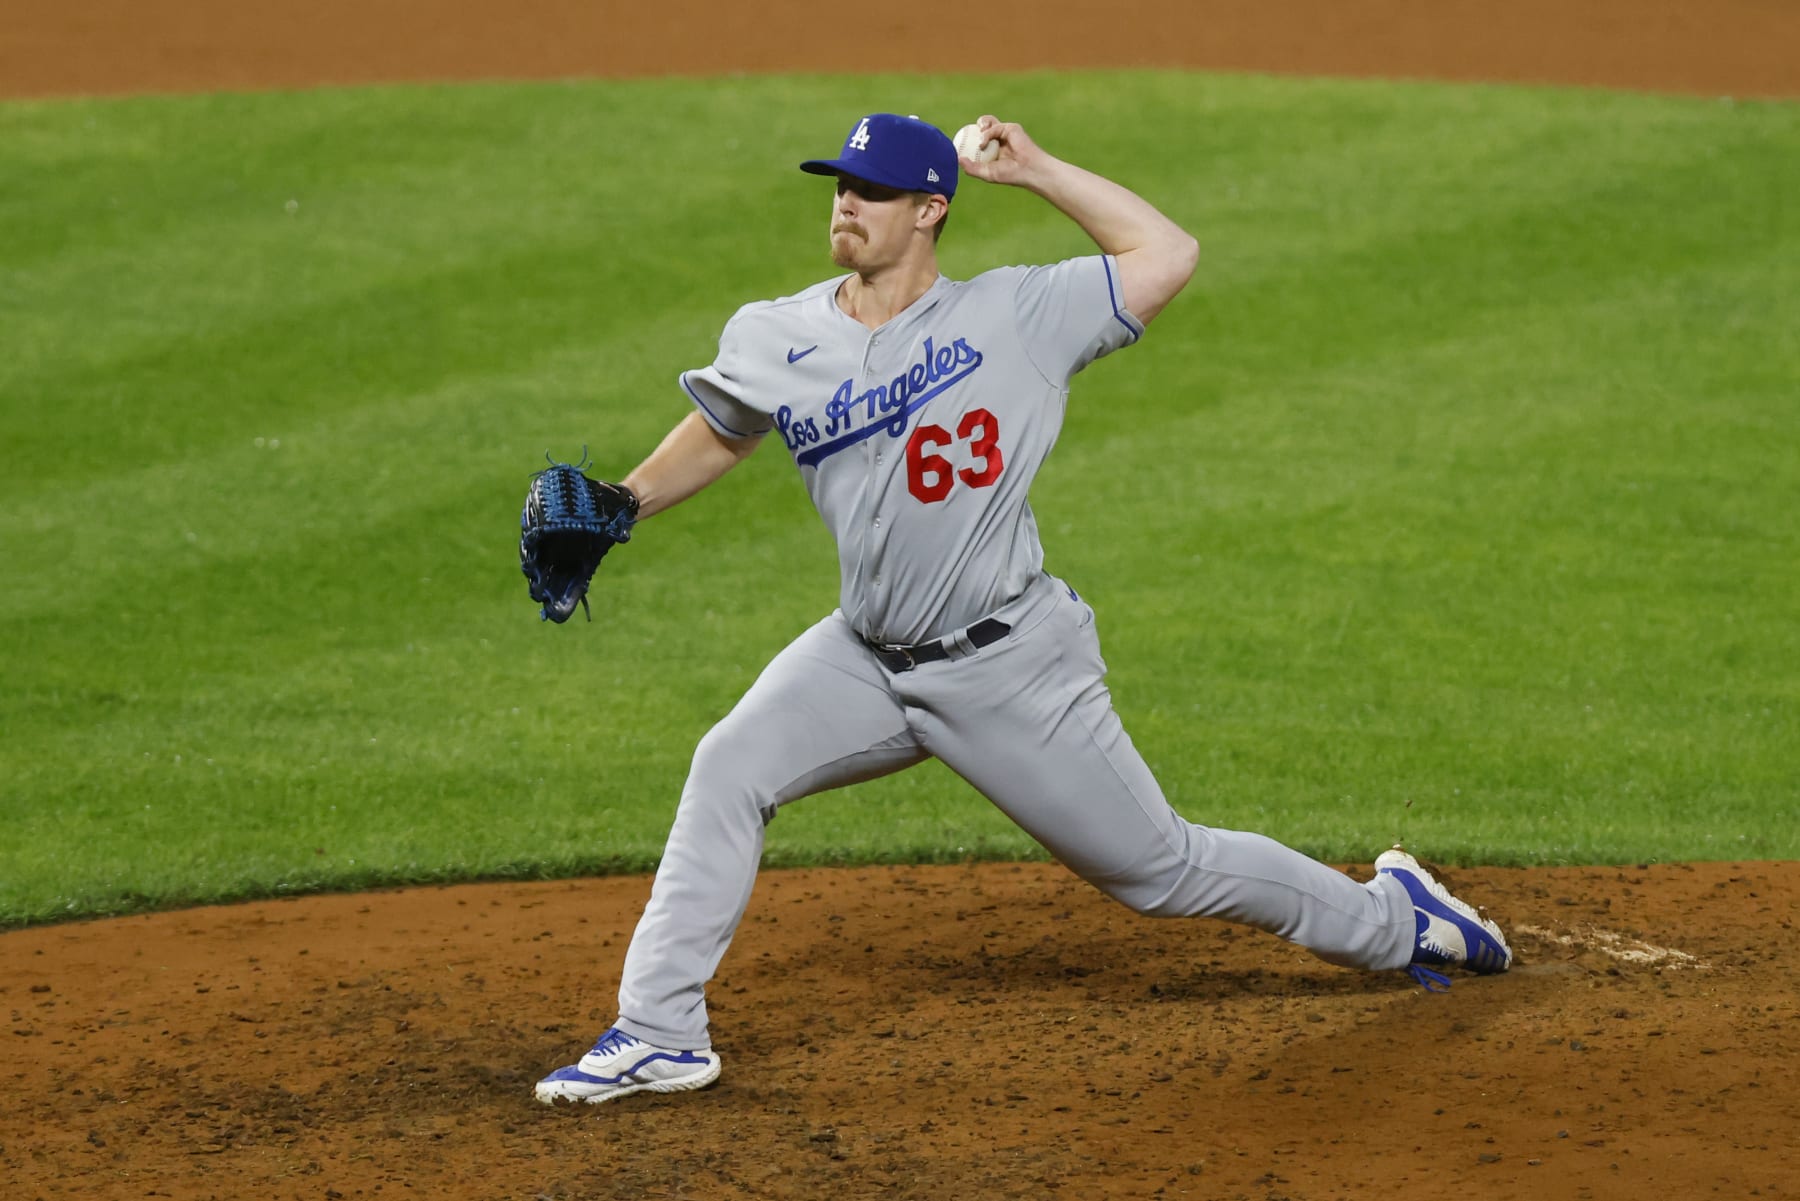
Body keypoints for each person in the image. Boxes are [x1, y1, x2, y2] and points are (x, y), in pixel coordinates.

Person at [534, 113, 1511, 1107]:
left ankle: (1400, 919)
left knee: (1161, 869)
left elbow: (1168, 254)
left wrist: (1037, 170)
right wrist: (624, 500)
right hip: (864, 656)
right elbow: (726, 423)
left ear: (930, 210)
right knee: (729, 765)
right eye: (839, 185)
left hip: (1007, 666)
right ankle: (660, 1031)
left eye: (870, 191)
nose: (844, 204)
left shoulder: (1020, 315)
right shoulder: (775, 331)